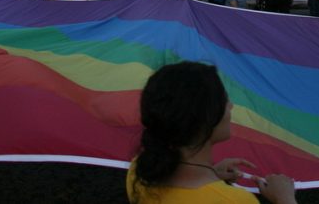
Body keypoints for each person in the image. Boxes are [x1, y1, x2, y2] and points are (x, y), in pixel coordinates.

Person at [127, 61, 296, 204]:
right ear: (206, 119)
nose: (231, 106)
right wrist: (286, 199)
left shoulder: (139, 171)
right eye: (224, 100)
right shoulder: (234, 200)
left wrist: (212, 174)